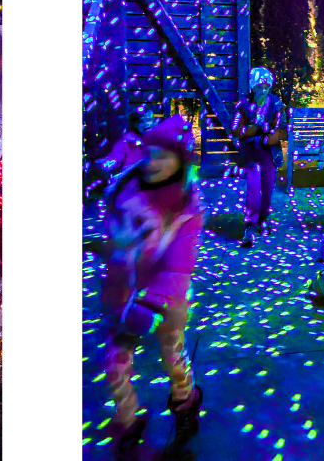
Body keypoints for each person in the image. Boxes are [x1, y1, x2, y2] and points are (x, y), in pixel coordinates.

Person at [100, 115, 203, 456]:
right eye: (150, 152)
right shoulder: (125, 190)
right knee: (115, 365)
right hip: (124, 293)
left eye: (164, 155)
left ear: (180, 159)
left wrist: (155, 300)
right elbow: (116, 239)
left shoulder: (185, 206)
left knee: (172, 356)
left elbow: (179, 264)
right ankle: (129, 422)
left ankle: (185, 401)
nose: (153, 162)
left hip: (166, 298)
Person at [232, 67, 286, 247]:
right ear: (253, 87)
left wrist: (273, 137)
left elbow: (282, 127)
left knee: (268, 187)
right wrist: (252, 130)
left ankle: (263, 218)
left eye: (266, 86)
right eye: (259, 87)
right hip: (250, 152)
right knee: (253, 188)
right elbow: (236, 128)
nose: (262, 90)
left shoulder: (276, 103)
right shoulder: (243, 104)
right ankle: (250, 223)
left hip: (268, 152)